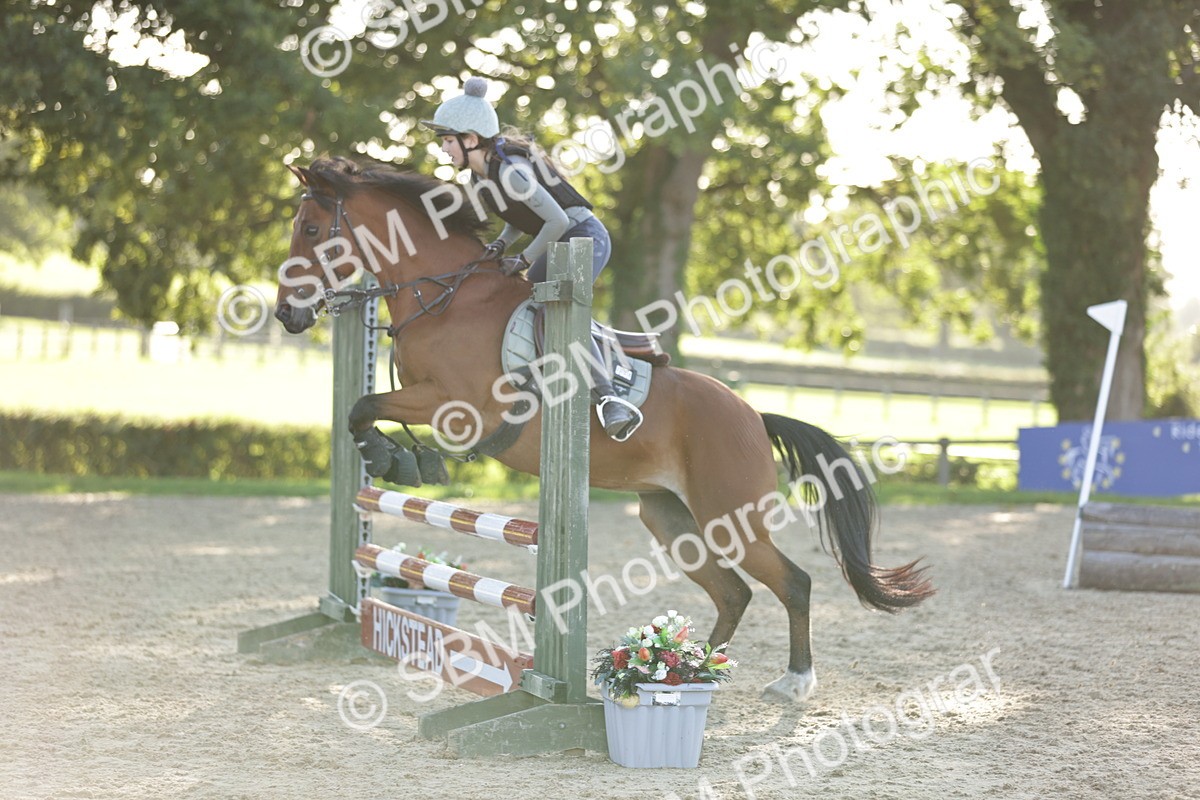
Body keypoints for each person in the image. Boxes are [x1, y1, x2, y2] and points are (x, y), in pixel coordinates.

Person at [422, 76, 643, 442]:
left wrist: (523, 258)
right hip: (556, 237)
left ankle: (609, 399)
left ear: (471, 139)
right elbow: (520, 220)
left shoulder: (512, 172)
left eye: (447, 141)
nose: (444, 149)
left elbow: (556, 219)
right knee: (520, 301)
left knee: (555, 306)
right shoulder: (479, 179)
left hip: (584, 237)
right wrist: (499, 246)